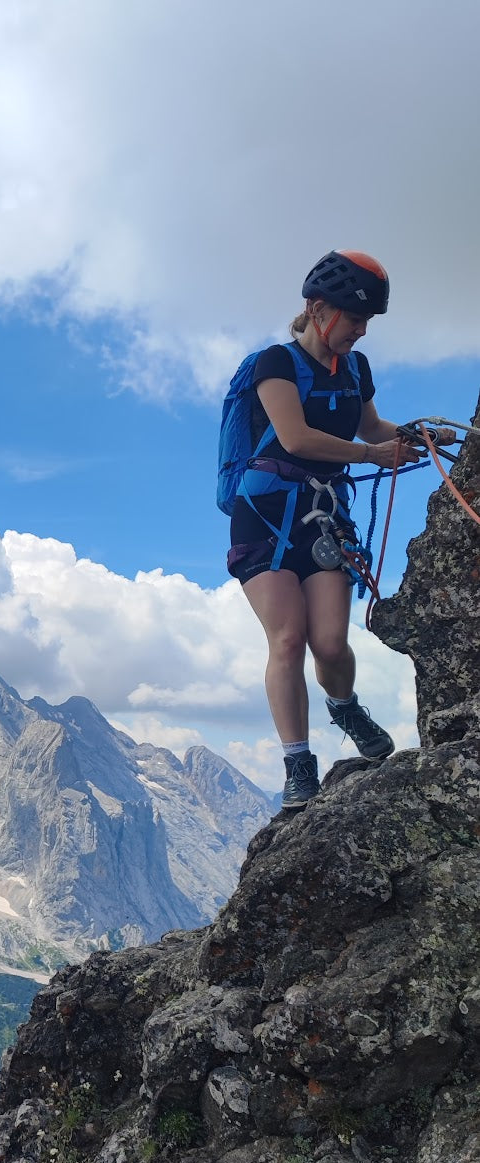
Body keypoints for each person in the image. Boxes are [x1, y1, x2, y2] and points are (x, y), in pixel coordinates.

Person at [227, 250, 456, 808]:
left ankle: (345, 706)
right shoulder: (275, 364)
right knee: (288, 638)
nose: (361, 329)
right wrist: (373, 455)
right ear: (317, 309)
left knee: (330, 643)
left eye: (367, 320)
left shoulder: (356, 368)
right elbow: (295, 437)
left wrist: (417, 436)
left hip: (324, 514)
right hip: (265, 515)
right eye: (354, 317)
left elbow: (371, 426)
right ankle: (298, 763)